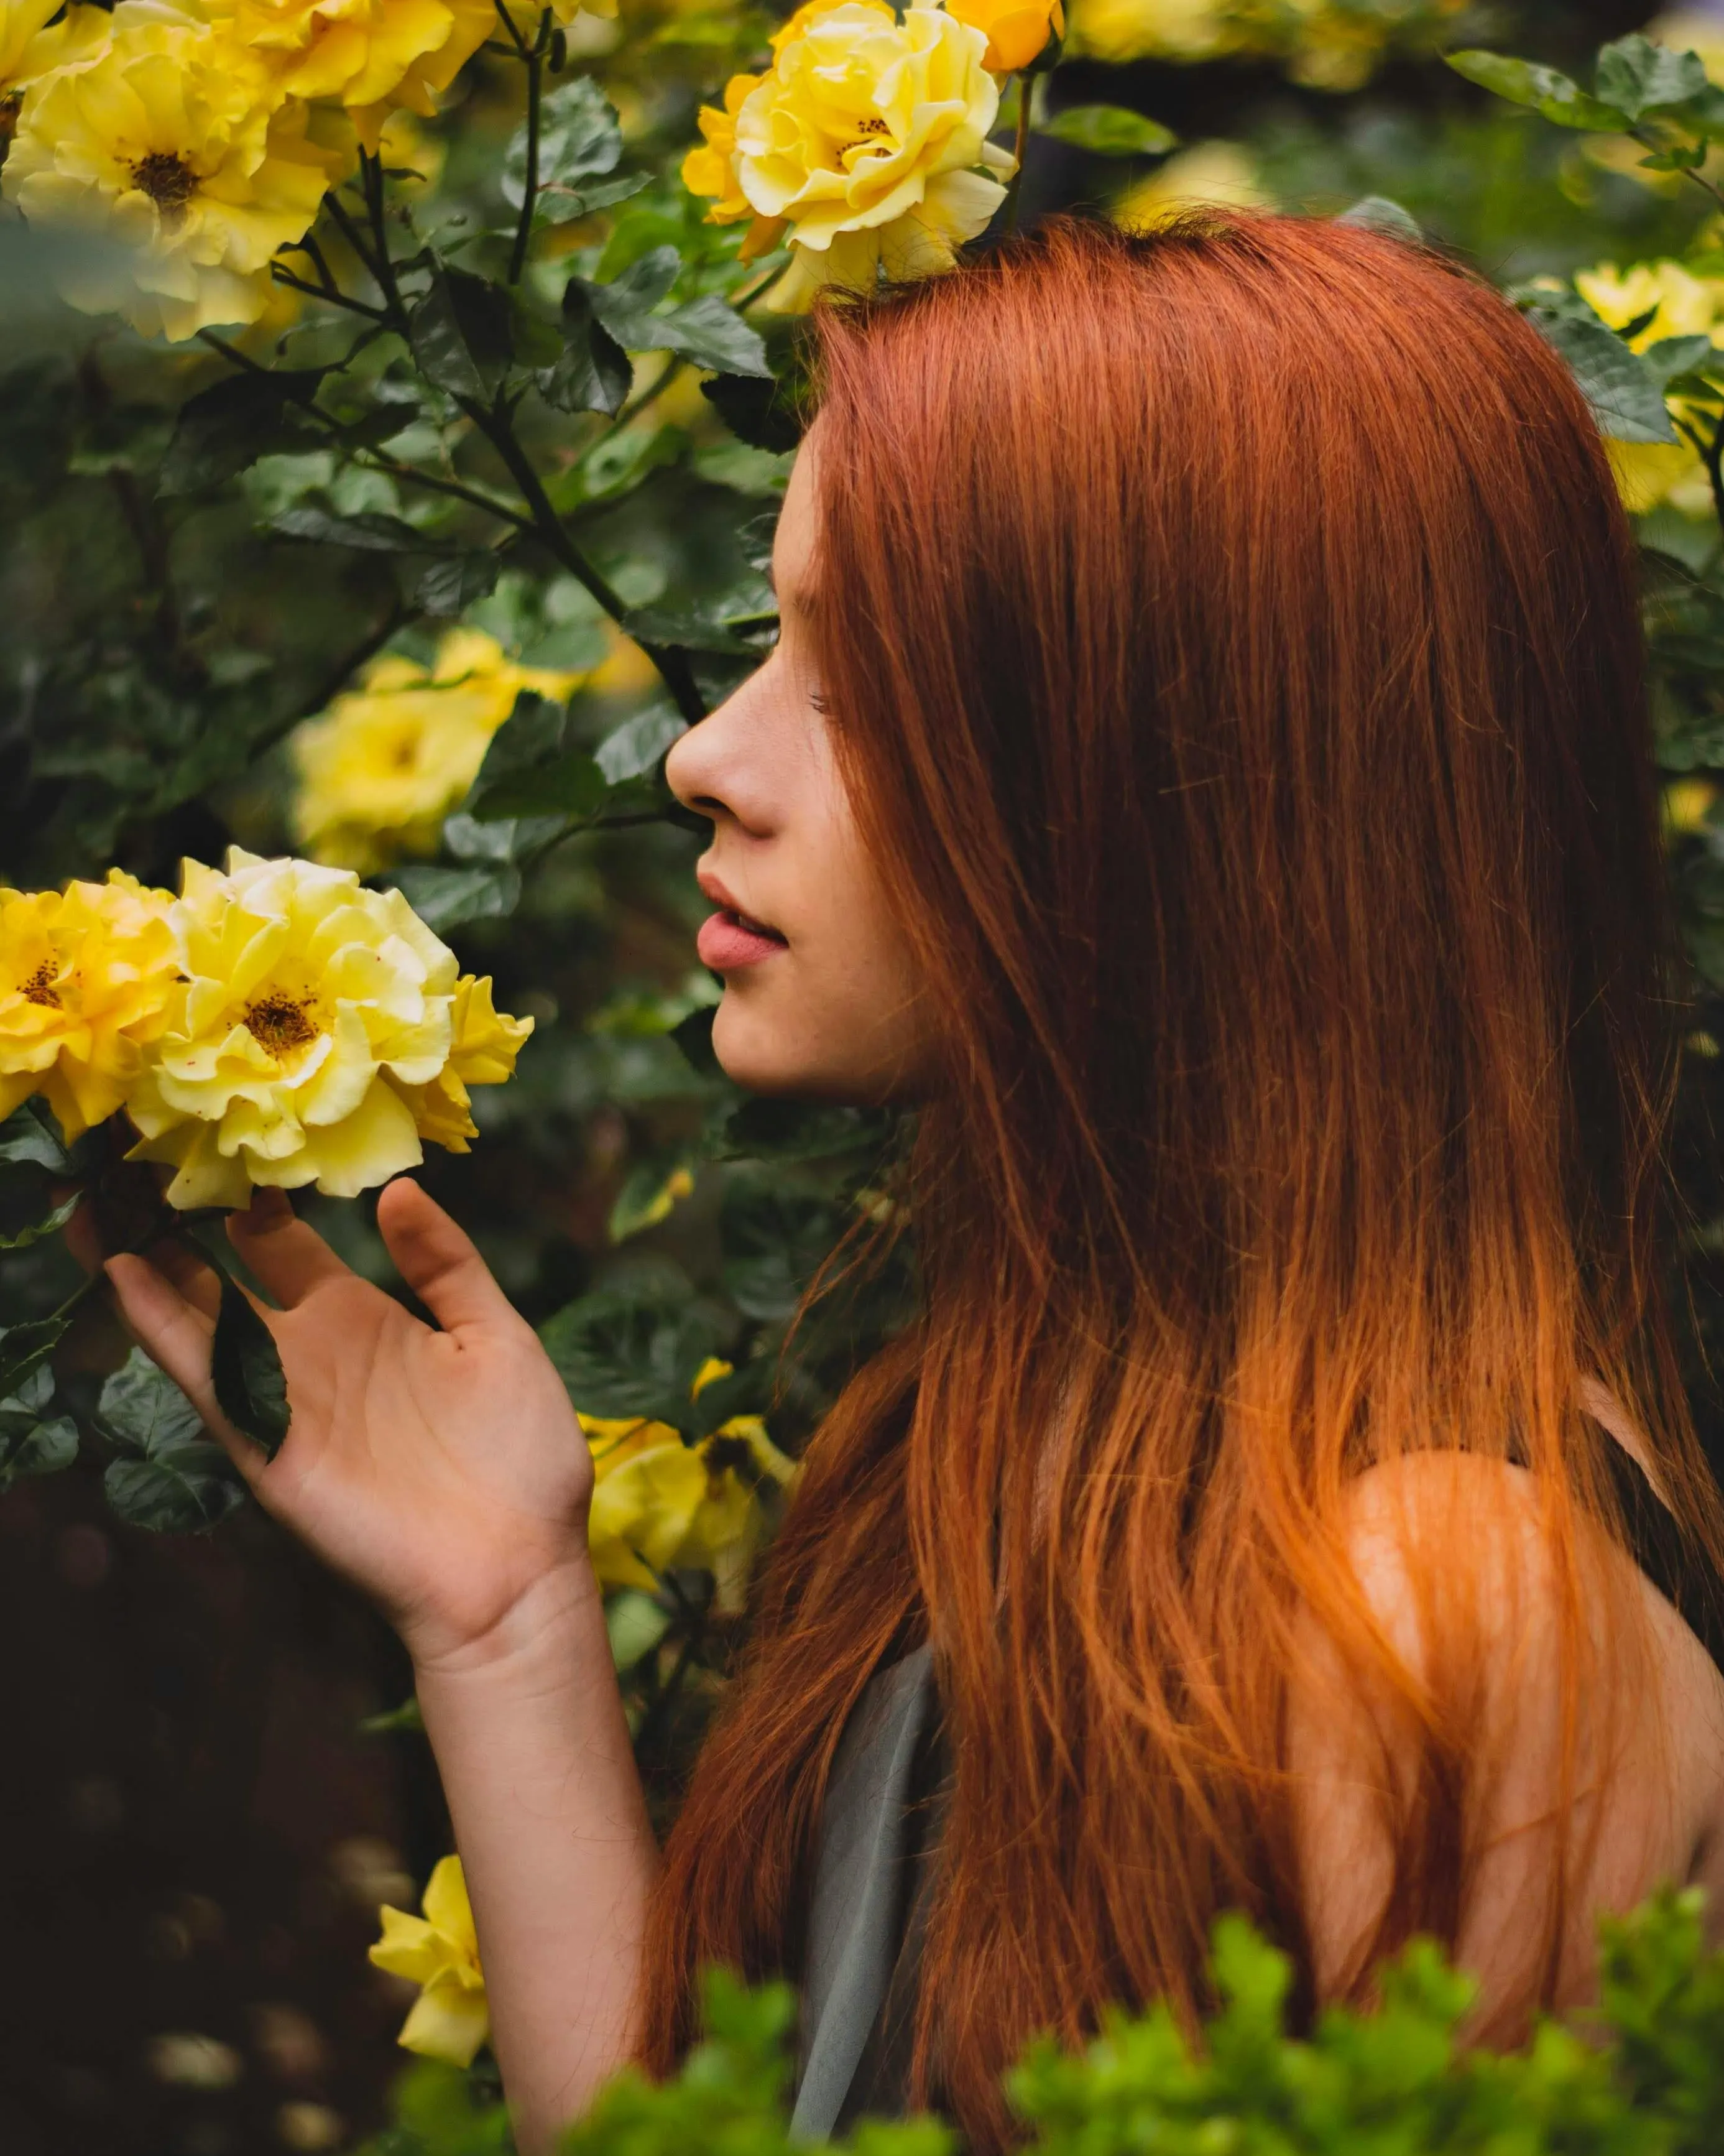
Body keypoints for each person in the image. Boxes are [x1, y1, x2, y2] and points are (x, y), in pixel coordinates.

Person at [101, 213, 1724, 2156]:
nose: (706, 752)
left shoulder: (1447, 1600)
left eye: (861, 676)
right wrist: (505, 1618)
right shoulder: (1007, 1447)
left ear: (1181, 783)